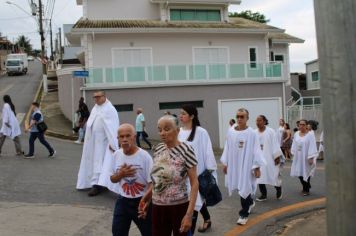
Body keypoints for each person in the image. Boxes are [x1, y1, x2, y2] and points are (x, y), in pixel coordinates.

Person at [139, 115, 199, 236]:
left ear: (177, 130)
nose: (162, 133)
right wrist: (147, 199)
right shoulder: (158, 149)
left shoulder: (186, 150)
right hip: (158, 207)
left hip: (179, 207)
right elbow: (158, 180)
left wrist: (189, 214)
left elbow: (194, 183)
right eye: (159, 129)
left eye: (167, 129)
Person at [220, 108, 265, 225]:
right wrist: (226, 163)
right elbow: (227, 147)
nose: (239, 119)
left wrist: (257, 167)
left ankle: (244, 214)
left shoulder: (251, 133)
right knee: (239, 187)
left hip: (246, 165)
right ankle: (250, 202)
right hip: (234, 165)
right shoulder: (231, 131)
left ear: (247, 118)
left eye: (242, 117)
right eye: (238, 116)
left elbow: (256, 150)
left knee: (244, 186)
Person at [178, 104, 217, 234]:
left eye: (183, 113)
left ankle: (190, 232)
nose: (180, 116)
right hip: (181, 177)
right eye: (180, 113)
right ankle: (207, 218)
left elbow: (208, 152)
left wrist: (210, 172)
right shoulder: (178, 132)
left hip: (196, 175)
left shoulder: (201, 132)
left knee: (193, 204)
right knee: (193, 201)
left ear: (192, 116)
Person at [110, 124, 153, 236]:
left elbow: (152, 183)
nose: (124, 139)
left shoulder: (144, 156)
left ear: (134, 137)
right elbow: (112, 179)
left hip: (141, 201)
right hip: (123, 201)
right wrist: (121, 174)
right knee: (118, 232)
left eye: (128, 136)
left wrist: (146, 202)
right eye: (121, 136)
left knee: (149, 232)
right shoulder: (116, 155)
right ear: (118, 138)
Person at [76, 91, 120, 197]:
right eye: (94, 97)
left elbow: (113, 127)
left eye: (98, 97)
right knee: (94, 161)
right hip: (94, 141)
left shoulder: (110, 109)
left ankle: (97, 185)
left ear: (104, 97)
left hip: (104, 142)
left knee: (100, 162)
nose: (96, 99)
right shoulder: (95, 108)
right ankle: (95, 182)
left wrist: (113, 142)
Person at [255, 115, 284, 202]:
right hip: (259, 159)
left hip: (270, 158)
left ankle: (278, 188)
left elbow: (275, 144)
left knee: (273, 175)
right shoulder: (254, 132)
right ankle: (263, 195)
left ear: (264, 121)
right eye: (257, 121)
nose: (257, 122)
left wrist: (277, 156)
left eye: (259, 120)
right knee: (260, 177)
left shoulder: (271, 131)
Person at [290, 119, 318, 196]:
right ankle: (306, 185)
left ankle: (306, 189)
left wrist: (311, 157)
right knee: (299, 173)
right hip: (298, 157)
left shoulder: (310, 135)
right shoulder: (296, 134)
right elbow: (294, 144)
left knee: (306, 172)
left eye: (303, 124)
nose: (301, 126)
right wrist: (293, 152)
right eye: (300, 124)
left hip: (306, 157)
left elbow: (312, 146)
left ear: (306, 126)